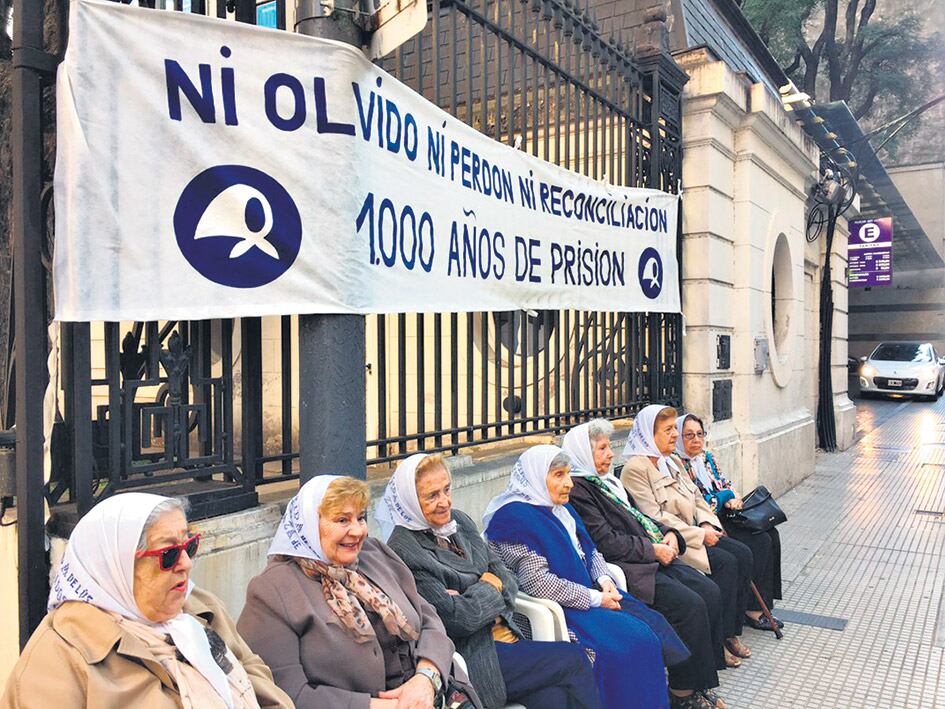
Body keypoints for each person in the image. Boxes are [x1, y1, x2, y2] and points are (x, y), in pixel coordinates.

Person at [1, 492, 292, 709]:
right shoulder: (61, 656)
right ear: (116, 566)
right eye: (168, 554)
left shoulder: (199, 608)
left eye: (189, 546)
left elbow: (254, 673)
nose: (186, 564)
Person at [379, 452, 602, 709]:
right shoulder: (404, 550)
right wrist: (487, 585)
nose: (444, 502)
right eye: (432, 495)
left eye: (447, 490)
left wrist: (474, 595)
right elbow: (458, 620)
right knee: (573, 658)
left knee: (555, 698)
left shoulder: (459, 522)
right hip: (476, 657)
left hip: (509, 637)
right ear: (409, 501)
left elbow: (507, 579)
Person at [238, 475, 478, 709]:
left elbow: (429, 620)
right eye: (342, 520)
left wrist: (426, 679)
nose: (357, 531)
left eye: (360, 518)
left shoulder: (375, 554)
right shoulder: (273, 591)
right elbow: (287, 694)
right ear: (309, 525)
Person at [483, 444, 690, 709]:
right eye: (559, 475)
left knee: (650, 630)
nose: (569, 483)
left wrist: (605, 581)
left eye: (568, 474)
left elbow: (590, 552)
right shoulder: (514, 519)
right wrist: (596, 598)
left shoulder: (561, 509)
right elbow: (538, 583)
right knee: (623, 649)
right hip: (564, 607)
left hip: (592, 594)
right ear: (535, 477)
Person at [563, 419, 726, 709]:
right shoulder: (578, 490)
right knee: (688, 605)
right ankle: (681, 692)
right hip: (630, 566)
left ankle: (699, 682)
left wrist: (669, 535)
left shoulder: (607, 482)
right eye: (601, 449)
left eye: (608, 447)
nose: (610, 454)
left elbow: (640, 517)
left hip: (651, 554)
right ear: (583, 453)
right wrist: (653, 550)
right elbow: (607, 541)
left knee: (709, 591)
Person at [621, 405, 754, 668]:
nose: (674, 435)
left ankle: (729, 632)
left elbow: (695, 495)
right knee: (726, 564)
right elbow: (655, 516)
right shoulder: (635, 469)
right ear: (650, 433)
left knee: (743, 553)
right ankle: (718, 642)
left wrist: (708, 522)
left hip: (697, 530)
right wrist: (698, 534)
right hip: (681, 540)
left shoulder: (670, 460)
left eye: (674, 429)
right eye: (668, 430)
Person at [677, 413, 784, 632]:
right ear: (679, 438)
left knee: (770, 534)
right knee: (758, 542)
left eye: (700, 434)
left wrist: (733, 496)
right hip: (706, 521)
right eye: (689, 435)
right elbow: (702, 502)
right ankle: (751, 609)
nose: (696, 440)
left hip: (727, 514)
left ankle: (765, 601)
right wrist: (726, 497)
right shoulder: (678, 464)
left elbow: (724, 483)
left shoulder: (706, 457)